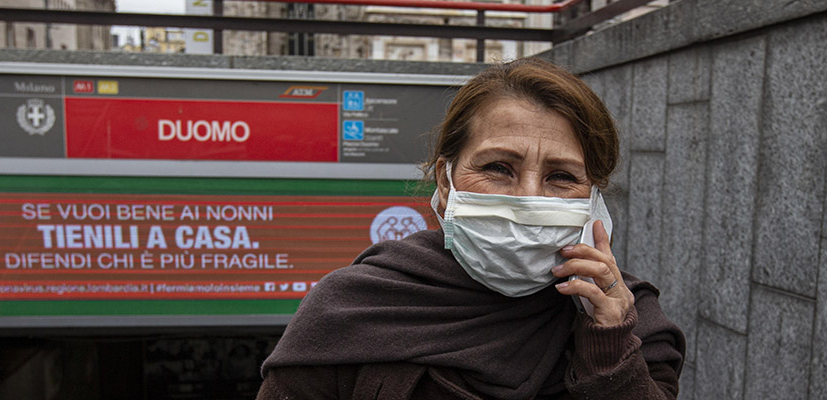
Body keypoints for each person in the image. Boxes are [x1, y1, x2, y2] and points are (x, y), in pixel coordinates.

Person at [257, 58, 685, 399]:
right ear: (445, 181)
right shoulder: (352, 308)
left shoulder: (632, 319)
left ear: (594, 199)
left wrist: (609, 344)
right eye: (498, 168)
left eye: (561, 177)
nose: (526, 199)